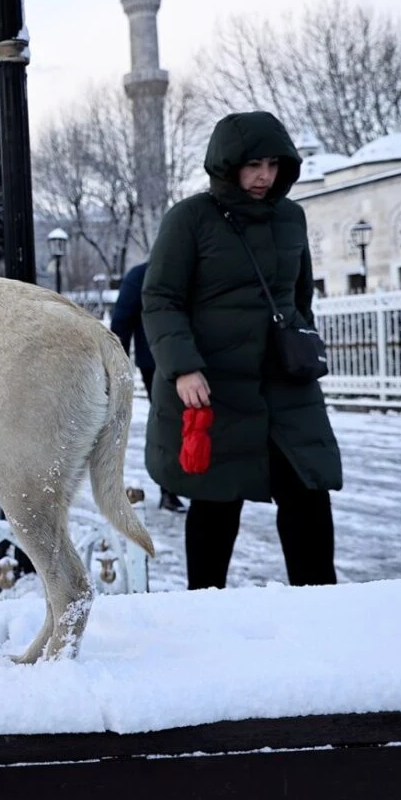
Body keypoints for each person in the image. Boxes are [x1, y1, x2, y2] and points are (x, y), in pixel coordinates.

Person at [142, 111, 342, 590]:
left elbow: (298, 298)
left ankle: (323, 611)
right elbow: (160, 298)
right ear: (227, 164)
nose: (264, 176)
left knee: (308, 492)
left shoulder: (291, 217)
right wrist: (184, 367)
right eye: (253, 164)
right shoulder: (190, 218)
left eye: (273, 164)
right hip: (214, 385)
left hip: (284, 385)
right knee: (216, 502)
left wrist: (302, 346)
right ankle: (205, 611)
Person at [110, 261, 186, 513]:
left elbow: (121, 320)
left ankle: (176, 486)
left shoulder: (146, 273)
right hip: (159, 363)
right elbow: (122, 320)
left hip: (163, 359)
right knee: (172, 422)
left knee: (175, 422)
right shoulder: (144, 275)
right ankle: (170, 487)